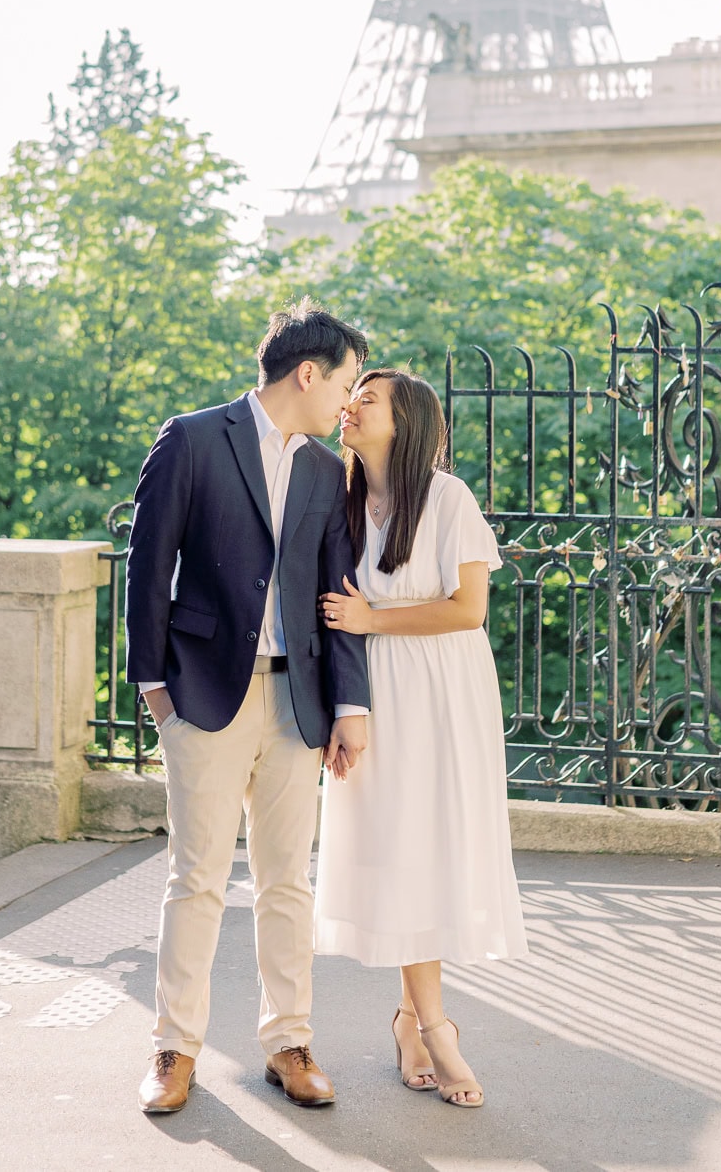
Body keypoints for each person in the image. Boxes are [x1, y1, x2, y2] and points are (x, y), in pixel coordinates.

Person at [126, 299, 371, 1115]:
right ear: (308, 372)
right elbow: (148, 563)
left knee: (284, 881)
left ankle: (288, 1042)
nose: (349, 400)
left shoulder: (324, 472)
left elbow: (338, 591)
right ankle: (174, 1049)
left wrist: (349, 705)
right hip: (202, 694)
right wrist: (153, 687)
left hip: (297, 701)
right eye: (345, 381)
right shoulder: (193, 437)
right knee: (195, 878)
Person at [314, 369, 528, 1109]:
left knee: (428, 849)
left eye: (367, 398)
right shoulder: (339, 504)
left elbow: (468, 608)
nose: (349, 406)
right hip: (374, 696)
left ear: (405, 421)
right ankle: (428, 1022)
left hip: (443, 690)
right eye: (351, 396)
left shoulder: (447, 497)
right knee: (395, 854)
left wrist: (374, 619)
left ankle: (422, 1021)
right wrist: (339, 707)